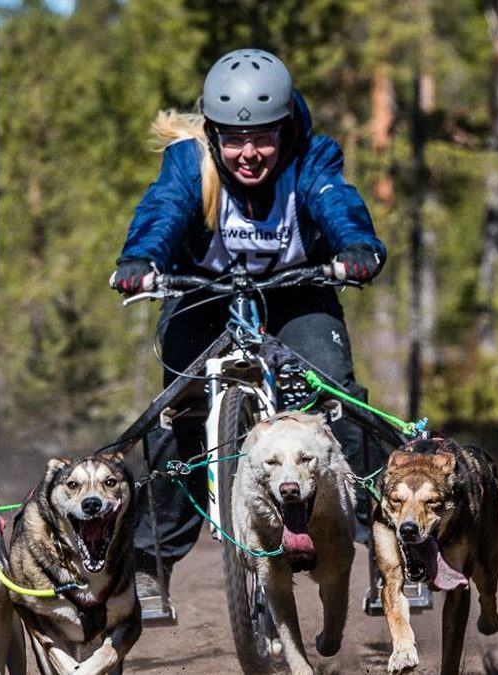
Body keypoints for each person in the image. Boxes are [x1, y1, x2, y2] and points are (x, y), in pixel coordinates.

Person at [112, 48, 386, 610]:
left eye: (263, 137)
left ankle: (387, 546)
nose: (249, 153)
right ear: (213, 133)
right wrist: (140, 260)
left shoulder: (312, 158)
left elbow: (338, 203)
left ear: (285, 129)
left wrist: (356, 248)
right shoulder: (191, 163)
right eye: (235, 139)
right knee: (174, 411)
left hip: (298, 292)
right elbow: (162, 211)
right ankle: (149, 564)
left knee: (337, 396)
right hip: (201, 294)